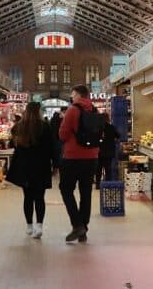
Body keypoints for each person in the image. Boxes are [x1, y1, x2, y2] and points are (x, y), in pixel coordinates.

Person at [58, 85, 102, 243]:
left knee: (66, 189)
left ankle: (77, 224)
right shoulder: (95, 110)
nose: (71, 97)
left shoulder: (72, 110)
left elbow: (62, 134)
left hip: (72, 157)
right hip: (92, 157)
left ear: (77, 94)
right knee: (85, 193)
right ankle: (83, 229)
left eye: (72, 94)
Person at [6, 102, 55, 239]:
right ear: (38, 111)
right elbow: (51, 147)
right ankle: (39, 225)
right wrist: (55, 164)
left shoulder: (18, 127)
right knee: (40, 197)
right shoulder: (44, 126)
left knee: (27, 197)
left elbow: (13, 144)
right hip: (41, 166)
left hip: (24, 166)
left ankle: (29, 225)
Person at [95, 113, 120, 187]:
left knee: (98, 168)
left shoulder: (97, 128)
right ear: (108, 118)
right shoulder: (111, 127)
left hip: (99, 151)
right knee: (108, 168)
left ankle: (98, 184)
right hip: (109, 151)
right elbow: (118, 135)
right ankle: (108, 184)